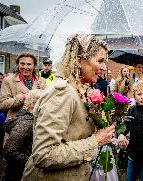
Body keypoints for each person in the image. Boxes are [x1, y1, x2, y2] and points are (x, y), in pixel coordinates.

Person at [22, 34, 115, 180]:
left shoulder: (79, 89)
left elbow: (72, 133)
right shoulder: (62, 92)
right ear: (79, 60)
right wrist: (95, 141)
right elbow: (44, 154)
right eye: (100, 61)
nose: (104, 68)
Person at [118, 80, 143, 181]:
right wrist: (122, 134)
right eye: (139, 94)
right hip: (133, 152)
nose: (142, 96)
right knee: (129, 178)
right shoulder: (132, 110)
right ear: (134, 95)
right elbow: (125, 125)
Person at [3, 89, 42, 181]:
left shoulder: (34, 120)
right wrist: (31, 162)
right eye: (41, 101)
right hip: (18, 173)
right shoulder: (26, 123)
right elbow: (9, 151)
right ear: (31, 104)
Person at [0, 53, 46, 121]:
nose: (25, 67)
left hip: (37, 123)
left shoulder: (41, 81)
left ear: (34, 66)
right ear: (18, 65)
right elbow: (2, 105)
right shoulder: (8, 80)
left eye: (29, 64)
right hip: (16, 124)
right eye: (22, 64)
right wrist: (23, 96)